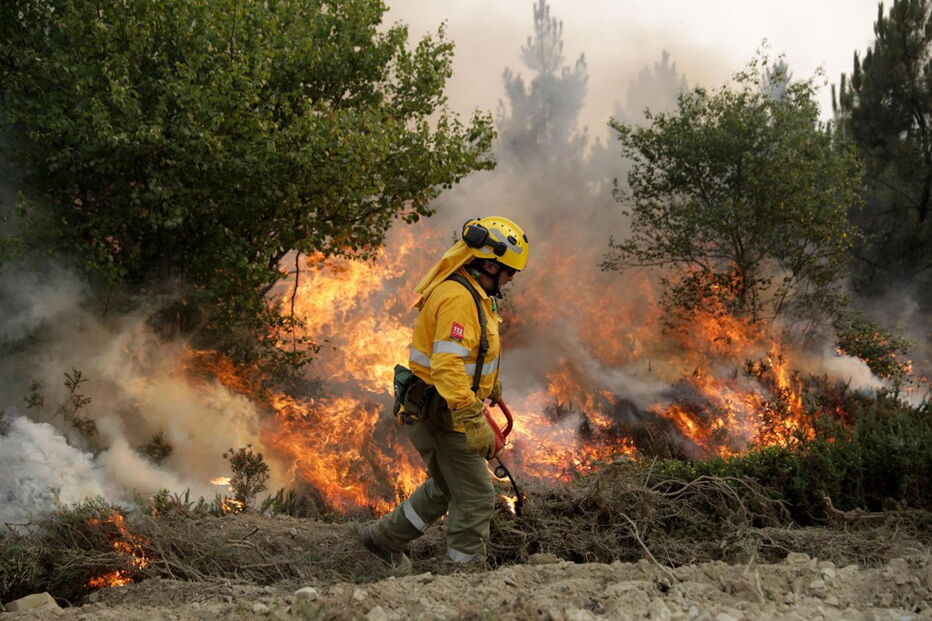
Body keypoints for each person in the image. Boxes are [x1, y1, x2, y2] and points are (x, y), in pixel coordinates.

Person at [361, 216, 529, 573]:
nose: (511, 279)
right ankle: (463, 576)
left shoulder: (476, 294)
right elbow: (448, 366)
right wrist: (471, 417)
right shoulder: (457, 298)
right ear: (488, 264)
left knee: (444, 487)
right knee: (477, 496)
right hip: (444, 414)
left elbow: (473, 351)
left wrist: (489, 386)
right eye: (508, 271)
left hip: (442, 409)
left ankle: (381, 541)